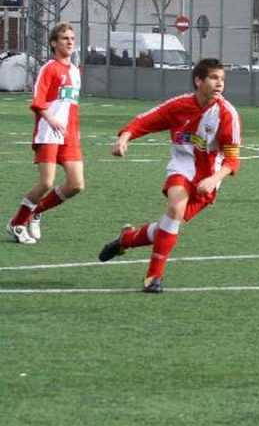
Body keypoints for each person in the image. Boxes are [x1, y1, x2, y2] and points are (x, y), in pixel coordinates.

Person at [97, 58, 242, 293]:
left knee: (168, 225)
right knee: (175, 208)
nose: (220, 84)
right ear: (198, 81)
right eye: (214, 78)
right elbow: (144, 121)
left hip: (208, 178)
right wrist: (123, 139)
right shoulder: (178, 106)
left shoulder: (227, 114)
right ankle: (153, 277)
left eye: (222, 79)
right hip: (182, 166)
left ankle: (126, 239)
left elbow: (232, 158)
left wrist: (215, 179)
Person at [6, 23, 85, 244]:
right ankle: (17, 223)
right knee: (46, 183)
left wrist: (74, 131)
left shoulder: (75, 71)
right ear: (53, 43)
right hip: (49, 132)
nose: (70, 42)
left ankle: (36, 212)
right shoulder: (49, 68)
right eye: (64, 38)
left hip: (69, 135)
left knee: (76, 184)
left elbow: (72, 106)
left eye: (72, 38)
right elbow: (38, 101)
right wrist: (51, 120)